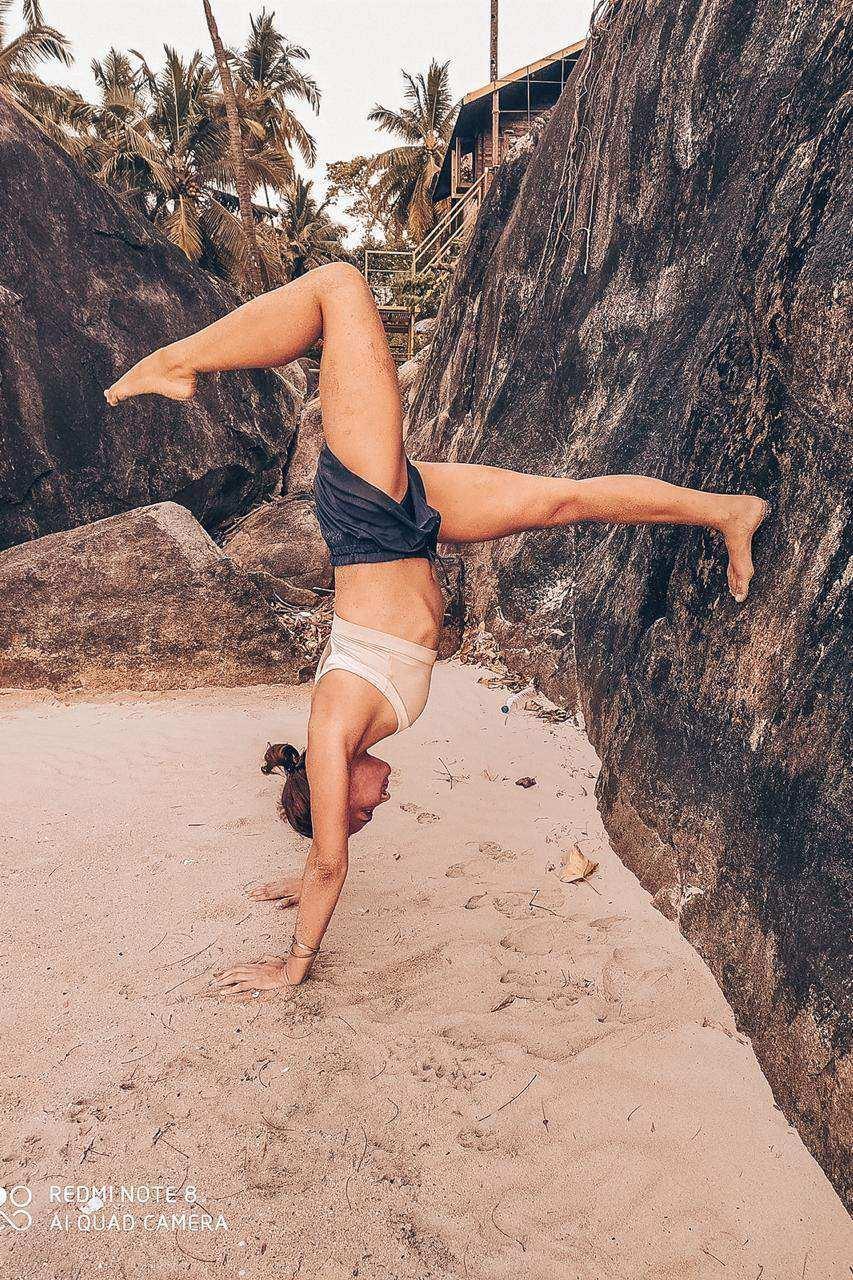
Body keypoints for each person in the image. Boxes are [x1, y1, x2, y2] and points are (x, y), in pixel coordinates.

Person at [104, 262, 768, 994]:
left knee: (338, 286)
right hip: (410, 527)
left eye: (361, 811)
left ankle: (177, 361)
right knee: (564, 502)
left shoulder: (332, 728)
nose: (378, 805)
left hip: (368, 515)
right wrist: (302, 871)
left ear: (330, 790)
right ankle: (726, 512)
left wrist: (293, 966)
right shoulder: (346, 742)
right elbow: (321, 851)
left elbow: (330, 861)